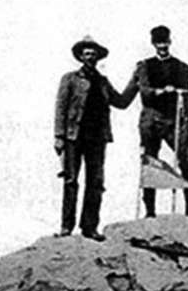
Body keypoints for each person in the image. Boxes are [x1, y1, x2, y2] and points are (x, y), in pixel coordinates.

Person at [54, 36, 137, 239]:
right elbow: (61, 108)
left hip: (97, 138)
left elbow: (121, 102)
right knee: (71, 181)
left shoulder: (102, 82)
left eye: (93, 53)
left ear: (98, 57)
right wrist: (59, 136)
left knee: (96, 183)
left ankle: (90, 227)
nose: (90, 56)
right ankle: (66, 227)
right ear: (81, 56)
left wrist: (136, 80)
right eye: (87, 53)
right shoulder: (70, 79)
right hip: (74, 136)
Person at [133, 25, 188, 217]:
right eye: (158, 42)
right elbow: (144, 92)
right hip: (151, 121)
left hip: (174, 122)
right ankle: (150, 211)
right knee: (150, 163)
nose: (162, 45)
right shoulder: (144, 66)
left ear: (170, 42)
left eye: (165, 41)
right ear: (153, 44)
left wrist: (186, 119)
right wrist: (161, 91)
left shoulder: (181, 67)